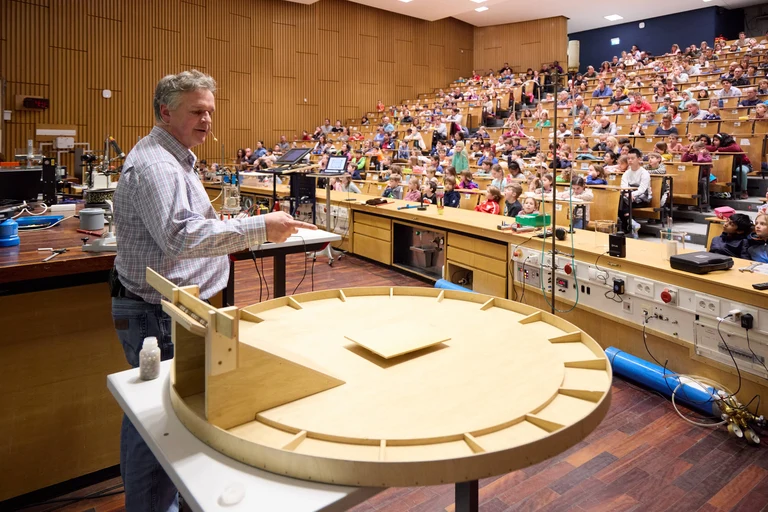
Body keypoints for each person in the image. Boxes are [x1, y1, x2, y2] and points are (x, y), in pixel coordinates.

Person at [112, 70, 316, 512]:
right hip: (158, 314)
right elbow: (179, 238)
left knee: (174, 412)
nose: (207, 120)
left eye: (210, 111)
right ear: (166, 112)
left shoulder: (175, 156)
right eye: (197, 111)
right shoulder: (157, 165)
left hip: (172, 307)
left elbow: (184, 228)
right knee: (159, 419)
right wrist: (259, 226)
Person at [707, 133, 751, 199]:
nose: (714, 142)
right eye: (714, 140)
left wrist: (719, 150)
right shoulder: (718, 146)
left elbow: (736, 148)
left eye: (716, 140)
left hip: (743, 164)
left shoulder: (732, 144)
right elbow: (708, 147)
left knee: (740, 170)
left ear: (722, 140)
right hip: (729, 166)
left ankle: (744, 191)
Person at [619, 148, 651, 234]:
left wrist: (630, 194)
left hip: (643, 197)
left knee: (622, 201)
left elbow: (642, 189)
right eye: (628, 158)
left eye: (632, 158)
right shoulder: (626, 173)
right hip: (628, 196)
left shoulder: (644, 173)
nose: (630, 160)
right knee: (619, 200)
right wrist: (627, 194)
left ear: (639, 159)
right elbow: (624, 186)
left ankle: (628, 225)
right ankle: (631, 223)